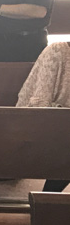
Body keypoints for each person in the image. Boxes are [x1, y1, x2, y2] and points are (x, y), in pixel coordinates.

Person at [16, 41, 70, 193]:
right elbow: (39, 106)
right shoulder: (58, 51)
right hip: (34, 128)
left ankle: (48, 201)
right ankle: (47, 201)